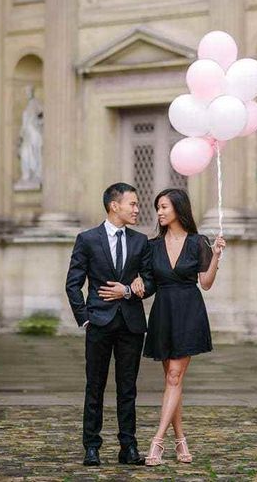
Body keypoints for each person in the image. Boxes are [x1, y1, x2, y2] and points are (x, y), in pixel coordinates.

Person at [132, 188, 225, 466]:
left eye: (163, 207)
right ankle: (181, 440)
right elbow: (149, 284)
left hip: (189, 311)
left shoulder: (199, 242)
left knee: (174, 376)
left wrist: (217, 256)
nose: (159, 212)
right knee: (173, 381)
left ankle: (157, 442)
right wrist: (138, 283)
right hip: (163, 313)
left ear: (178, 208)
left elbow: (206, 283)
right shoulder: (152, 246)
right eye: (157, 207)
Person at [65, 182, 155, 467]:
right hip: (99, 323)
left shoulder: (141, 241)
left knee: (128, 388)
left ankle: (128, 448)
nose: (137, 209)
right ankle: (91, 447)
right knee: (95, 386)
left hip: (131, 324)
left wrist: (128, 290)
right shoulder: (87, 239)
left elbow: (150, 280)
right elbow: (73, 284)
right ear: (114, 205)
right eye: (132, 204)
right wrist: (85, 317)